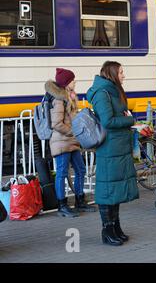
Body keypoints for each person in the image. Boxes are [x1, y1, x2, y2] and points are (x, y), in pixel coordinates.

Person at [86, 61, 139, 246]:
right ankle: (107, 230)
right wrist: (129, 120)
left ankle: (115, 227)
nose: (124, 75)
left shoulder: (113, 91)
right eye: (121, 72)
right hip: (109, 149)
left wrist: (127, 118)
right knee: (107, 190)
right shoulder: (103, 94)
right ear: (112, 74)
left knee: (114, 190)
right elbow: (108, 121)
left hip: (118, 148)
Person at [46, 68, 96, 218]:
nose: (75, 82)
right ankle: (62, 205)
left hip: (71, 141)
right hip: (62, 141)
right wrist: (72, 132)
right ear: (67, 83)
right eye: (73, 80)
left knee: (80, 170)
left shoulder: (69, 97)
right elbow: (56, 123)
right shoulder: (59, 99)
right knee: (62, 173)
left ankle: (80, 200)